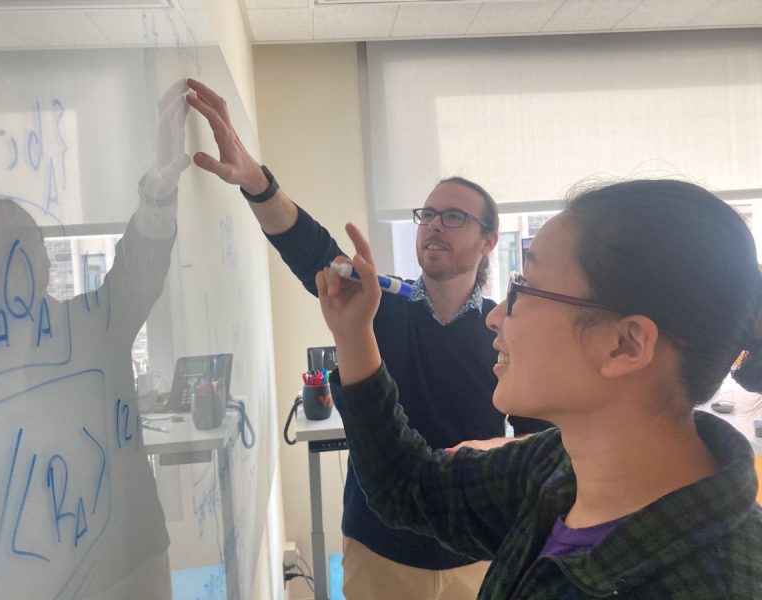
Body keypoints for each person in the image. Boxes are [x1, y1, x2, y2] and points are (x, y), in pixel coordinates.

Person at [185, 78, 551, 599]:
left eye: (453, 217)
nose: (434, 227)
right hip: (380, 547)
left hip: (479, 551)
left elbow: (542, 444)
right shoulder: (378, 304)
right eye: (427, 215)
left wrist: (482, 473)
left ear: (489, 239)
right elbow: (311, 249)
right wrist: (257, 182)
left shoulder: (503, 328)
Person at [316, 179, 762, 598]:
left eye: (525, 286)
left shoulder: (717, 583)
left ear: (625, 344)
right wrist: (355, 335)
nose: (495, 316)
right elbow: (406, 486)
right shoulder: (550, 468)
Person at [0, 80, 190, 599]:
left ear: (41, 266)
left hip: (127, 565)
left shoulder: (87, 329)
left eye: (23, 250)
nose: (12, 269)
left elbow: (141, 267)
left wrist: (160, 182)